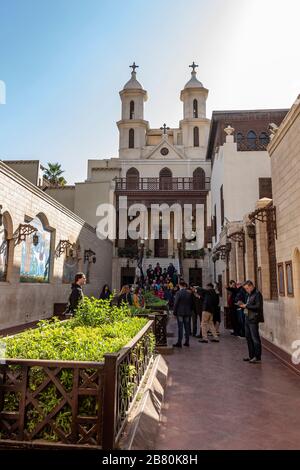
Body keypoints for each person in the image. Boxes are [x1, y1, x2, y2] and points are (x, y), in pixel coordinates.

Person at [239, 280, 264, 364]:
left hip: (253, 319)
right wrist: (243, 305)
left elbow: (258, 306)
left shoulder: (257, 294)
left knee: (255, 338)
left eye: (247, 288)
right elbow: (249, 304)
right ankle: (251, 356)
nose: (246, 290)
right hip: (247, 317)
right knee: (248, 338)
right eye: (245, 289)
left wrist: (246, 306)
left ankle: (257, 357)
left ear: (251, 286)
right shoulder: (249, 294)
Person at [173, 281, 193, 348]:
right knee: (187, 327)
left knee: (180, 327)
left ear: (179, 285)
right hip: (187, 312)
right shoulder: (189, 293)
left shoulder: (178, 293)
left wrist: (174, 313)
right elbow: (191, 303)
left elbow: (176, 303)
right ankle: (187, 342)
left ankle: (179, 342)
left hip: (180, 312)